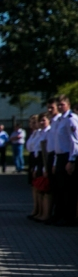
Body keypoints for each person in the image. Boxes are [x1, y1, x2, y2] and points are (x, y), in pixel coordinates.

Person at [28, 114, 52, 221]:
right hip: (36, 159)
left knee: (44, 189)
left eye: (42, 121)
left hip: (43, 160)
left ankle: (45, 213)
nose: (37, 123)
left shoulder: (47, 132)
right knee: (37, 187)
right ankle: (38, 211)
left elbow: (44, 150)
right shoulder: (38, 133)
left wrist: (43, 167)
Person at [60, 96, 78, 227]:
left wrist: (71, 160)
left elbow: (75, 141)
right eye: (59, 105)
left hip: (69, 156)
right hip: (61, 156)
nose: (60, 107)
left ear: (68, 105)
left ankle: (70, 217)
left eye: (62, 105)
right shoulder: (62, 119)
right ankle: (65, 215)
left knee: (70, 189)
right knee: (63, 189)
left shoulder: (71, 119)